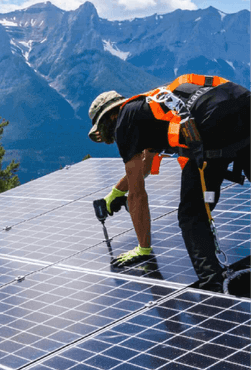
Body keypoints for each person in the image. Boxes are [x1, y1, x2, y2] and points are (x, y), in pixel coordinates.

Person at [88, 74, 250, 292]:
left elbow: (137, 193)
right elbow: (145, 165)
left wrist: (143, 248)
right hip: (244, 106)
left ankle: (214, 291)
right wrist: (116, 193)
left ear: (108, 118)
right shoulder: (150, 106)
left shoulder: (124, 122)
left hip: (213, 129)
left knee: (192, 216)